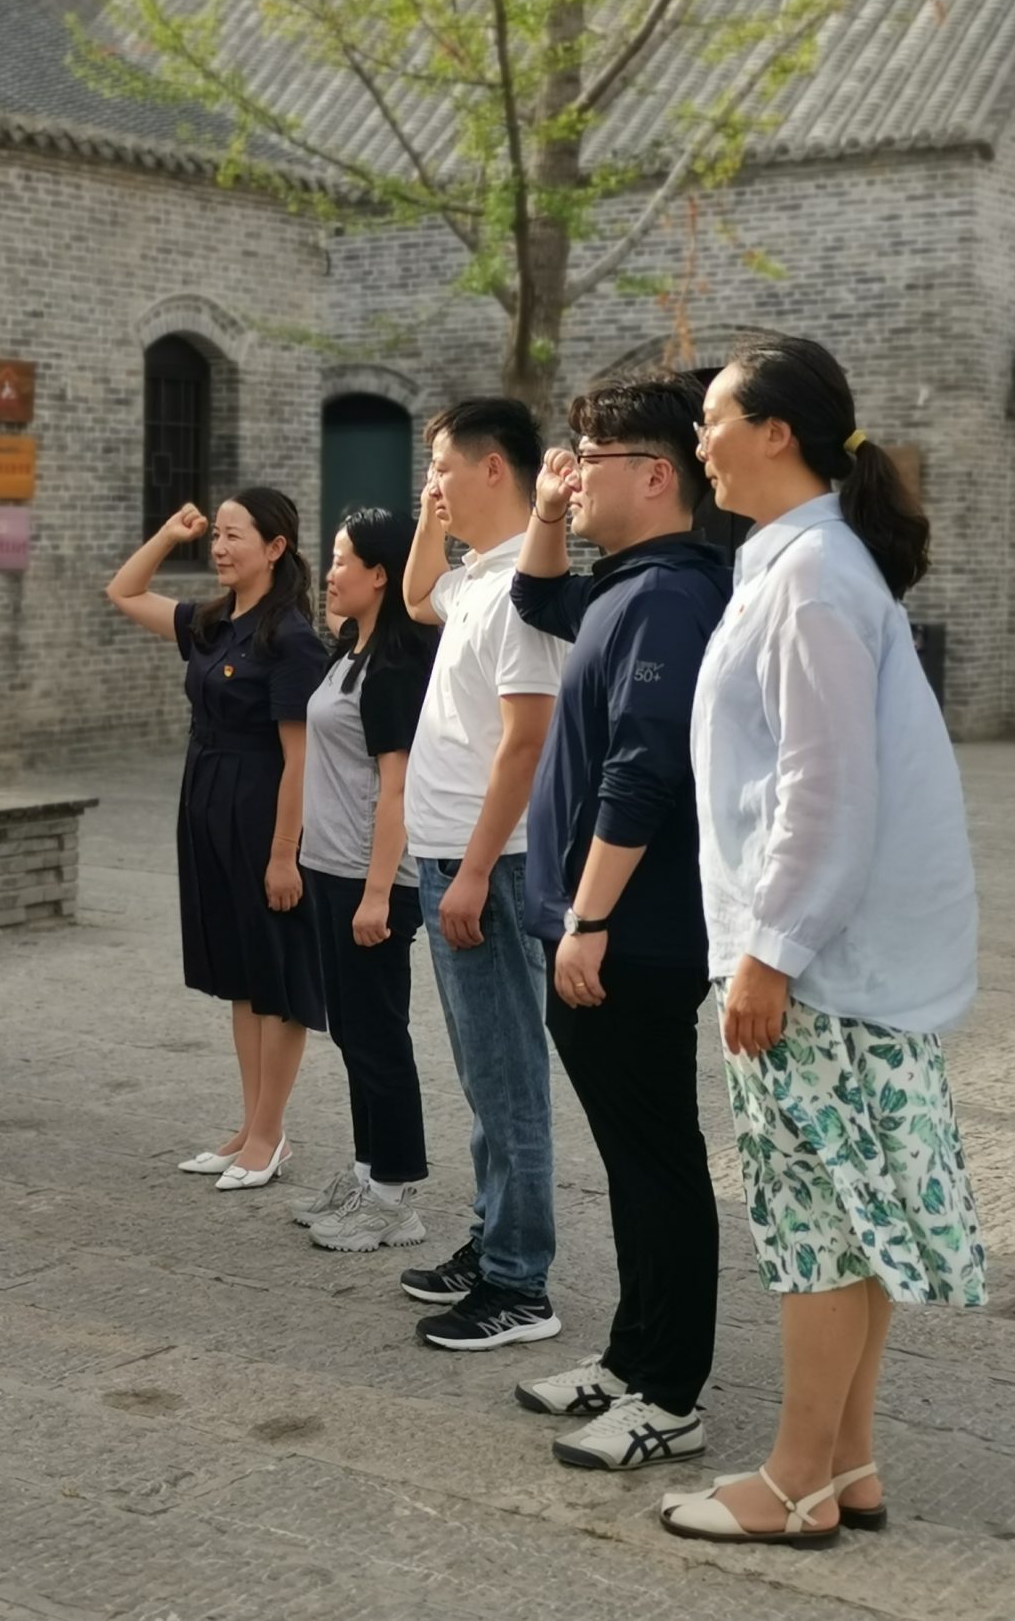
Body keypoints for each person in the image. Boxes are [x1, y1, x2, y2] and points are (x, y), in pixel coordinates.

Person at [659, 335, 986, 1547]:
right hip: (839, 958)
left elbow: (824, 784)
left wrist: (770, 952)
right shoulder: (806, 559)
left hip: (815, 965)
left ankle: (793, 1478)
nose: (699, 440)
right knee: (854, 1216)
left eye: (712, 418)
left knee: (814, 1222)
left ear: (775, 433)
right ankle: (845, 1461)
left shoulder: (807, 575)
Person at [505, 376, 731, 1471]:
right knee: (633, 1159)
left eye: (588, 460)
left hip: (629, 935)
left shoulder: (671, 598)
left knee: (657, 1164)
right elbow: (534, 598)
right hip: (601, 929)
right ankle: (632, 1357)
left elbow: (643, 770)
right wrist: (550, 512)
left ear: (654, 474)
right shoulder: (626, 585)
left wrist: (588, 917)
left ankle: (669, 1394)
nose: (571, 474)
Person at [397, 399, 569, 1350]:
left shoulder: (523, 592)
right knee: (481, 1070)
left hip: (488, 864)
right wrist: (431, 519)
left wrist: (469, 872)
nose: (433, 483)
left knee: (508, 1075)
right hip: (451, 857)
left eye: (443, 467)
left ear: (494, 467)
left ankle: (519, 1283)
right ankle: (491, 1236)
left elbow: (526, 744)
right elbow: (417, 596)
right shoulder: (476, 577)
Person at [107, 490, 331, 1192]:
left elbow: (300, 757)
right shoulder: (211, 623)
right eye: (217, 536)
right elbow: (124, 591)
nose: (220, 547)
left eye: (235, 536)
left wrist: (284, 854)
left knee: (276, 980)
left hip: (262, 810)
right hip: (206, 802)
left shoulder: (291, 639)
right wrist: (168, 534)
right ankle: (251, 1126)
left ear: (276, 547)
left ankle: (269, 1135)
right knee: (241, 974)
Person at [290, 508, 440, 1253]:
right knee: (352, 1030)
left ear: (380, 575)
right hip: (330, 867)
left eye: (343, 559)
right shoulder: (351, 650)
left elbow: (397, 789)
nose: (330, 572)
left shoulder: (392, 670)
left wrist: (380, 892)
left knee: (378, 1034)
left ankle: (395, 1196)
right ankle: (365, 1171)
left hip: (368, 878)